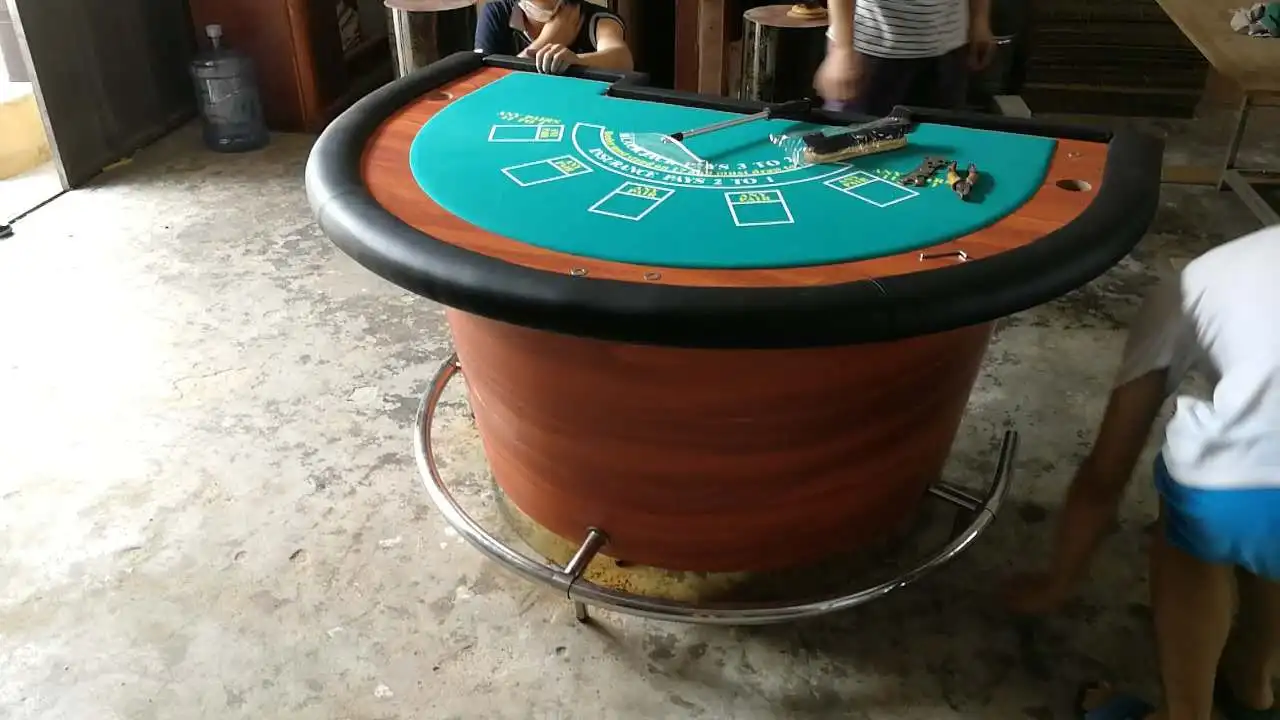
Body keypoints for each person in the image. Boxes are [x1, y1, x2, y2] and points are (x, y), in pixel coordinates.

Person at [1005, 224, 1280, 720]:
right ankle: (1253, 680)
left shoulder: (1195, 283)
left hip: (1244, 501)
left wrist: (1057, 583)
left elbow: (1106, 473)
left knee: (1206, 510)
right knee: (1262, 513)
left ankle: (1184, 714)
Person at [815, 0, 997, 117]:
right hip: (871, 51)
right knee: (853, 148)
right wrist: (843, 49)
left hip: (948, 48)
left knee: (940, 147)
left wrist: (980, 20)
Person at [474, 0, 633, 76]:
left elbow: (622, 59)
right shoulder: (496, 13)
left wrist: (576, 60)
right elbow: (485, 81)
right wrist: (548, 40)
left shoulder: (598, 19)